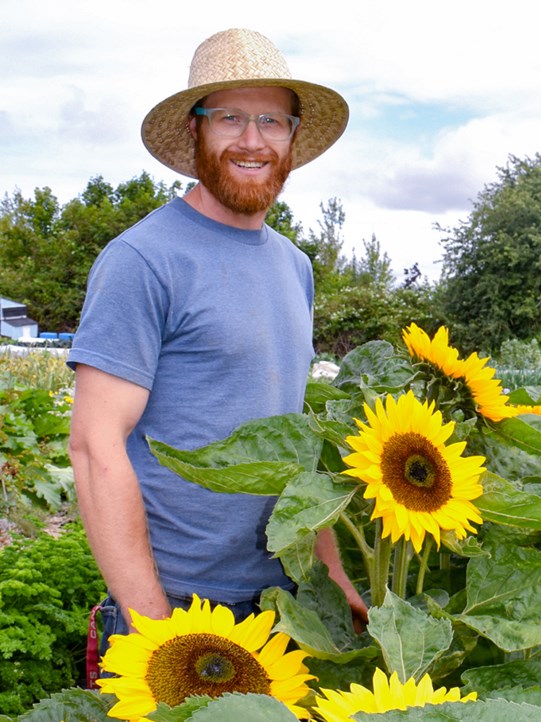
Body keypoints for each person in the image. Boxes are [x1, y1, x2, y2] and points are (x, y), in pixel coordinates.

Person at [67, 28, 367, 657]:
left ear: (292, 138)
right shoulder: (143, 260)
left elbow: (291, 444)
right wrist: (155, 628)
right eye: (229, 117)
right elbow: (96, 448)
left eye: (271, 120)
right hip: (174, 599)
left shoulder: (295, 267)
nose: (252, 140)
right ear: (196, 131)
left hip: (283, 602)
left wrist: (333, 577)